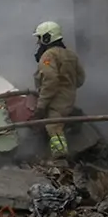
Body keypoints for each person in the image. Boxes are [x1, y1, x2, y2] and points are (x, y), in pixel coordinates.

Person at [32, 21, 85, 159]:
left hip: (55, 100)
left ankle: (60, 159)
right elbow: (80, 78)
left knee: (53, 127)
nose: (38, 43)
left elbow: (50, 80)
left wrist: (41, 105)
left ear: (47, 38)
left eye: (40, 38)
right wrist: (68, 88)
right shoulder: (70, 54)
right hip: (68, 98)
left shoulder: (48, 56)